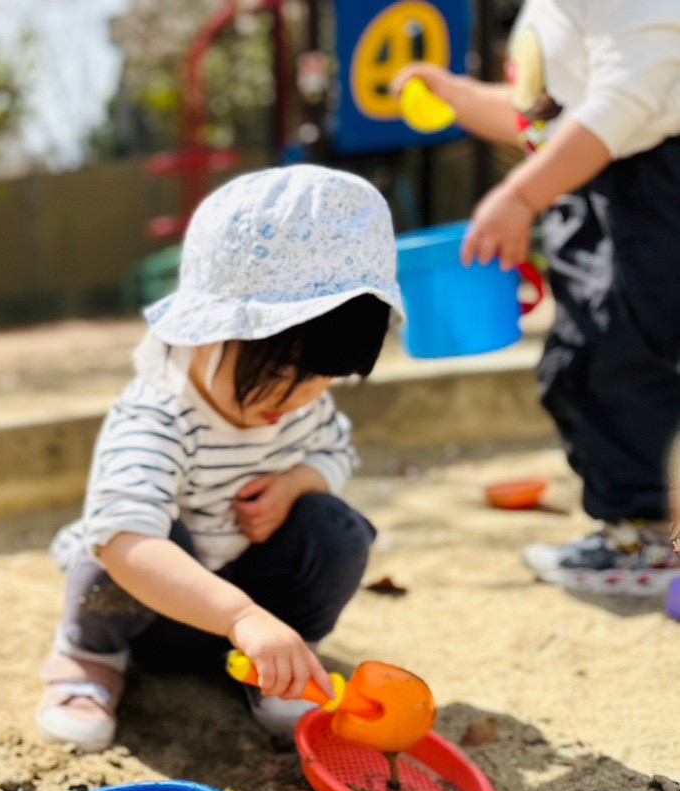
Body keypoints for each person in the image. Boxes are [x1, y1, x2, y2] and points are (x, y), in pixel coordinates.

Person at [36, 165, 403, 752]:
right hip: (152, 615)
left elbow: (336, 451)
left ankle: (280, 668)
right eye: (281, 372)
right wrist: (239, 617)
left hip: (252, 614)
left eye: (325, 378)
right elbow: (126, 540)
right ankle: (88, 661)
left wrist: (297, 482)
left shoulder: (304, 402)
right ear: (209, 328)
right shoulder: (160, 414)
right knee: (116, 544)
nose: (300, 399)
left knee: (336, 528)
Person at [396, 0, 680, 593]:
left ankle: (652, 540)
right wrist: (458, 96)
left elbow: (625, 100)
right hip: (595, 190)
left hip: (650, 192)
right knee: (583, 362)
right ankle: (630, 532)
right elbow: (548, 120)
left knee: (624, 360)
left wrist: (522, 196)